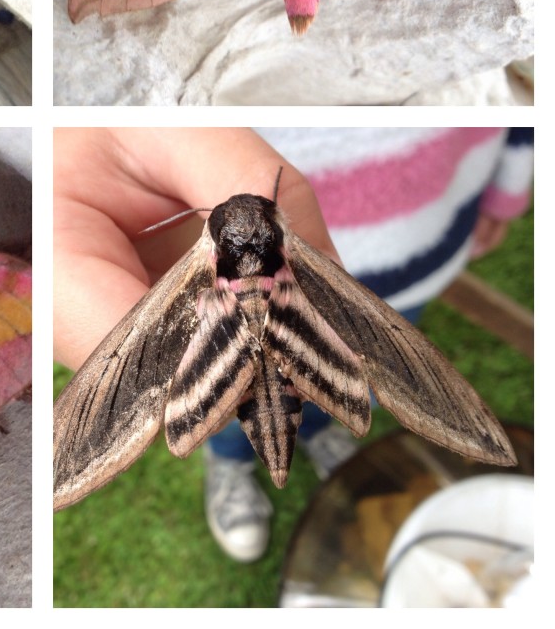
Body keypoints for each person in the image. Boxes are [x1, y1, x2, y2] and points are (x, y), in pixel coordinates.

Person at [54, 127, 532, 561]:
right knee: (259, 397)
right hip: (371, 279)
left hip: (413, 257)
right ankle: (236, 463)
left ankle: (312, 438)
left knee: (211, 391)